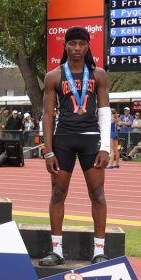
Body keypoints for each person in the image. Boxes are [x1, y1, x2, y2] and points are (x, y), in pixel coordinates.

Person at [40, 26, 111, 266]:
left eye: (82, 44)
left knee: (98, 194)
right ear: (65, 46)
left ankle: (98, 251)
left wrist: (106, 148)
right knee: (58, 194)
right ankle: (57, 251)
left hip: (91, 139)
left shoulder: (98, 74)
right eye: (72, 44)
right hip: (64, 139)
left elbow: (104, 111)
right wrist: (48, 150)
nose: (77, 48)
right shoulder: (54, 76)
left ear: (88, 46)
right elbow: (48, 115)